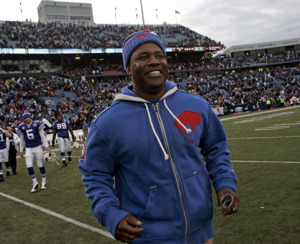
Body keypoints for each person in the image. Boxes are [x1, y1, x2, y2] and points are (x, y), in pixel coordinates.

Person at [79, 30, 239, 244]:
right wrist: (109, 214)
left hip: (201, 232)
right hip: (148, 236)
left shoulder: (197, 105)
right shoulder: (106, 124)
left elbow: (216, 150)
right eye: (143, 57)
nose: (154, 62)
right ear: (128, 68)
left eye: (159, 55)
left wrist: (225, 183)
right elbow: (95, 175)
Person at [17, 111, 50, 192]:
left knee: (40, 165)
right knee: (29, 166)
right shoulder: (21, 126)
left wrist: (47, 147)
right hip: (28, 148)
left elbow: (43, 136)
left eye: (27, 117)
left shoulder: (37, 124)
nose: (26, 119)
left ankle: (44, 182)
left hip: (38, 147)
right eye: (25, 118)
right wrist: (21, 150)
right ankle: (35, 183)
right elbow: (21, 140)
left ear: (30, 117)